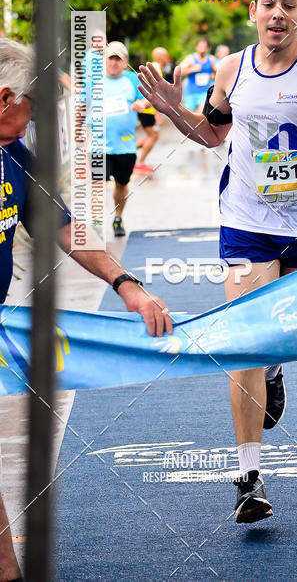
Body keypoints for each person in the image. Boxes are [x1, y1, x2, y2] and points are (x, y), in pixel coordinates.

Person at [138, 0, 297, 524]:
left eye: (288, 5)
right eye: (268, 3)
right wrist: (174, 110)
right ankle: (249, 478)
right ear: (253, 12)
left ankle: (273, 370)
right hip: (245, 219)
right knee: (245, 337)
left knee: (281, 334)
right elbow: (210, 134)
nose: (277, 13)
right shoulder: (231, 70)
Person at [0, 38, 172, 580]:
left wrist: (126, 284)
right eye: (33, 106)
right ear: (5, 98)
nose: (36, 120)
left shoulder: (14, 157)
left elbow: (66, 228)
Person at [93, 42, 149, 237]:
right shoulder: (95, 81)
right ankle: (97, 222)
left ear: (125, 62)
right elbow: (83, 105)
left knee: (121, 185)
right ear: (105, 60)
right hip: (99, 144)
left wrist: (142, 103)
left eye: (118, 59)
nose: (114, 62)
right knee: (97, 183)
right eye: (111, 58)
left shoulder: (133, 79)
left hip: (125, 145)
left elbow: (150, 97)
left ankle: (118, 218)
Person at [179, 38, 217, 111]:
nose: (202, 49)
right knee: (189, 114)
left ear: (208, 48)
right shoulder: (191, 59)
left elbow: (220, 70)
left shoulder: (211, 59)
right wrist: (193, 69)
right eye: (200, 46)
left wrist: (214, 74)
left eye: (204, 47)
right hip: (191, 92)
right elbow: (179, 71)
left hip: (205, 92)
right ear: (196, 47)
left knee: (202, 112)